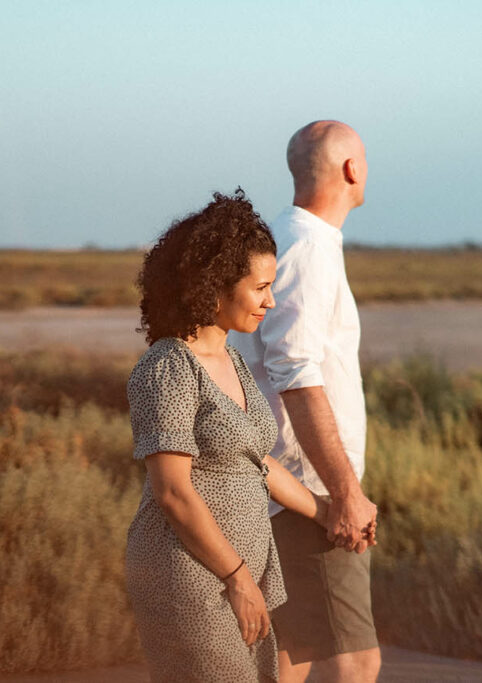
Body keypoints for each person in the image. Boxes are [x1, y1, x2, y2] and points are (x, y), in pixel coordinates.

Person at [124, 189, 335, 683]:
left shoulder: (232, 360)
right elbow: (173, 493)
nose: (271, 300)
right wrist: (238, 579)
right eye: (260, 287)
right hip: (190, 574)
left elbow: (258, 463)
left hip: (242, 572)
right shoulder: (169, 368)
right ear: (214, 285)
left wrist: (326, 513)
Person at [231, 121, 381, 683]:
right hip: (306, 491)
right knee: (355, 661)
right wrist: (343, 492)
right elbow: (294, 369)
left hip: (283, 483)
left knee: (289, 657)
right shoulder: (309, 246)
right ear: (351, 169)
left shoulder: (284, 238)